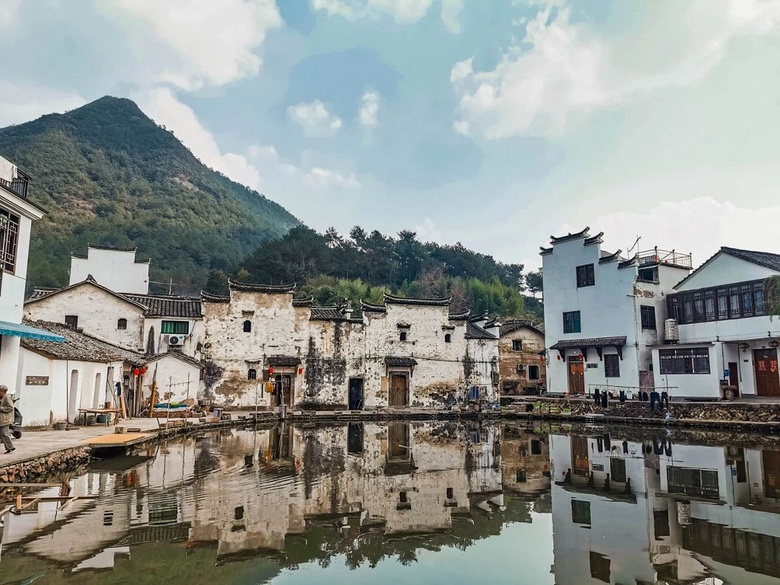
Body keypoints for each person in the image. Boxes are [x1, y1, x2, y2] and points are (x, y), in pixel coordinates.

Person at [0, 385, 16, 454]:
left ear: (3, 391)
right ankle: (10, 447)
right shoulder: (2, 397)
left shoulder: (7, 398)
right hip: (1, 419)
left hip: (5, 420)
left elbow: (10, 408)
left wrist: (1, 408)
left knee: (4, 433)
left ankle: (10, 447)